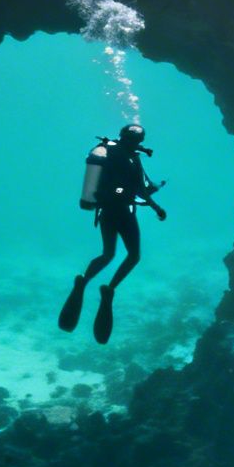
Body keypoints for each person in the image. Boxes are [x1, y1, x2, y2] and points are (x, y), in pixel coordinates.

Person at [58, 123, 166, 343]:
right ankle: (109, 289)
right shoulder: (127, 157)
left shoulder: (118, 154)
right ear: (137, 140)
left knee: (108, 254)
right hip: (123, 213)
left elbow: (138, 188)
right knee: (133, 256)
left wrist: (151, 202)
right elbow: (136, 190)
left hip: (106, 211)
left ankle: (83, 281)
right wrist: (154, 206)